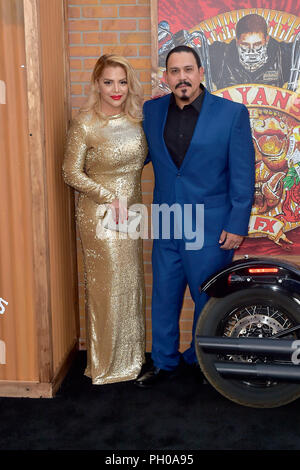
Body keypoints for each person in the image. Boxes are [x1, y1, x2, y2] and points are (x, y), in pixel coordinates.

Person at [134, 45, 255, 388]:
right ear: (166, 77)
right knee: (165, 296)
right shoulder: (152, 111)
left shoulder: (231, 114)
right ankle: (163, 362)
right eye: (175, 71)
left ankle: (205, 361)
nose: (182, 77)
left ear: (201, 73)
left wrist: (236, 225)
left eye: (188, 69)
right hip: (168, 220)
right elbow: (136, 156)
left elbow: (243, 174)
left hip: (211, 226)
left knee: (207, 300)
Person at [63, 55, 148, 385]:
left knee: (130, 285)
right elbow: (69, 172)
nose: (116, 89)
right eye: (109, 82)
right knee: (108, 287)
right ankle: (105, 366)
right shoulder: (84, 123)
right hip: (100, 214)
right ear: (97, 83)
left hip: (132, 214)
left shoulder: (136, 120)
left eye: (122, 82)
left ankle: (130, 361)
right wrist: (108, 197)